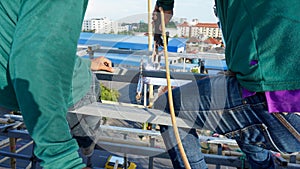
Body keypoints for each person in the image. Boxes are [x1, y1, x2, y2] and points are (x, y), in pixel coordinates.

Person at [153, 0, 300, 169]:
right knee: (244, 125)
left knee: (167, 107)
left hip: (280, 101)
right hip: (280, 102)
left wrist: (164, 7)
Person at [0, 1, 113, 168]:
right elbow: (38, 61)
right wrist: (62, 160)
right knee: (86, 140)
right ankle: (87, 148)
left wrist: (88, 63)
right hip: (70, 91)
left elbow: (21, 32)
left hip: (11, 90)